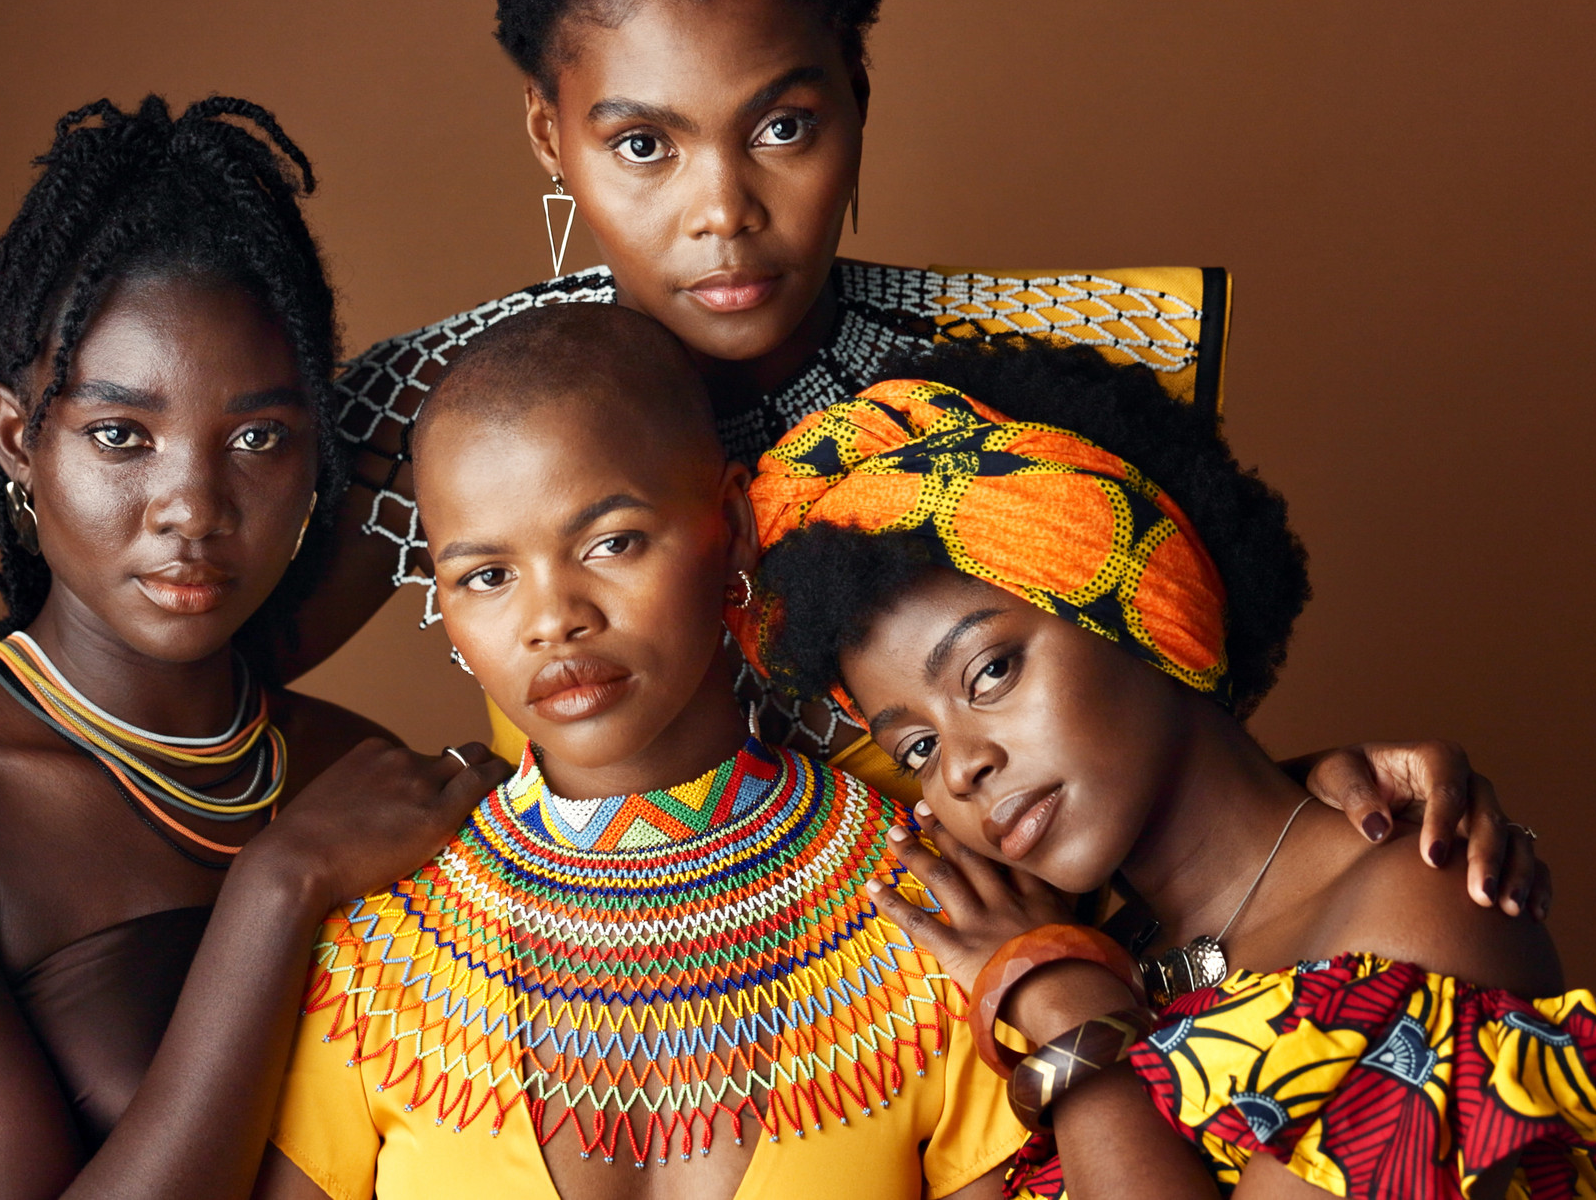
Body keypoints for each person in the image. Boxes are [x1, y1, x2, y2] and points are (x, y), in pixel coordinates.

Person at [0, 0, 1541, 942]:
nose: (725, 212)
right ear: (554, 135)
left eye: (787, 126)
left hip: (994, 1081)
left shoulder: (1024, 372)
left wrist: (1349, 797)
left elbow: (1164, 771)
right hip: (626, 1058)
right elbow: (155, 650)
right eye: (648, 146)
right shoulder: (445, 424)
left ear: (857, 103)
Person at [750, 339, 1596, 1199]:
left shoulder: (1415, 905)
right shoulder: (1070, 937)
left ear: (1145, 603)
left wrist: (1070, 1021)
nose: (959, 767)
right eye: (914, 744)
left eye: (991, 670)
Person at [0, 94, 512, 1200]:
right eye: (122, 435)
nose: (192, 506)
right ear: (19, 437)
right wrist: (278, 887)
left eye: (258, 438)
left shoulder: (362, 773)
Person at [256, 303, 1023, 1200]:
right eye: (487, 577)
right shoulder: (374, 950)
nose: (553, 620)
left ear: (731, 526)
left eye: (611, 543)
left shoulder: (932, 912)